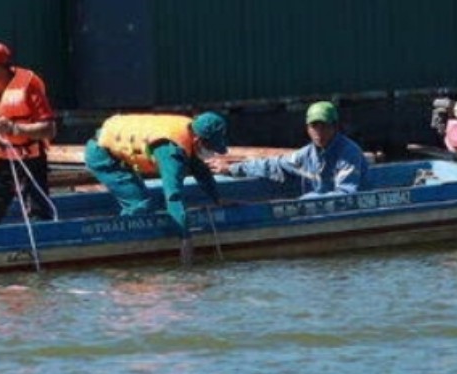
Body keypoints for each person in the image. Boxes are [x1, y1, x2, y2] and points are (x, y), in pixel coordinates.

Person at [84, 111, 227, 264]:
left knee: (145, 200)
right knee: (140, 203)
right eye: (209, 147)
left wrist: (219, 200)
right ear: (198, 139)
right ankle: (118, 251)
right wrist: (185, 238)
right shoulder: (171, 151)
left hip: (119, 153)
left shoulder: (189, 134)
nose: (211, 152)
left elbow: (201, 172)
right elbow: (173, 194)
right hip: (101, 153)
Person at [0, 40, 57, 225]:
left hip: (29, 162)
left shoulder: (29, 87)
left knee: (39, 216)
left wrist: (15, 129)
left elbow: (49, 129)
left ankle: (44, 248)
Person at [210, 100, 369, 196]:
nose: (319, 132)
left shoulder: (349, 153)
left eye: (324, 126)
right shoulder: (306, 155)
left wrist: (306, 201)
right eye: (314, 126)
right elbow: (272, 165)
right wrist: (231, 169)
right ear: (307, 129)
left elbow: (345, 195)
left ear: (335, 127)